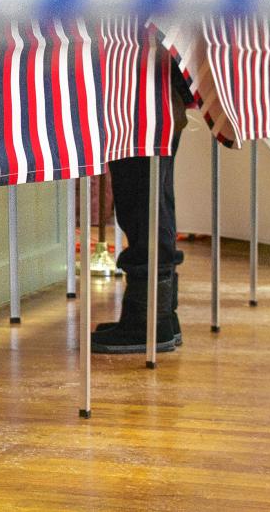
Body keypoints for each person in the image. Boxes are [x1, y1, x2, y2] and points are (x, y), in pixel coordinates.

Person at [91, 65, 191, 354]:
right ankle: (162, 317)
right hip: (161, 99)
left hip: (138, 102)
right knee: (156, 204)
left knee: (141, 207)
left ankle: (145, 323)